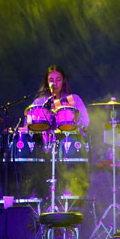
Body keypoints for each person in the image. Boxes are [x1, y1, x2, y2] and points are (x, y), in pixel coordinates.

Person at [28, 65, 90, 198]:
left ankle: (69, 191)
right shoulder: (40, 101)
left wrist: (75, 120)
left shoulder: (73, 99)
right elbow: (28, 124)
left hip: (69, 147)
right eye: (51, 80)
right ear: (46, 81)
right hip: (44, 149)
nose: (54, 83)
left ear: (64, 81)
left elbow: (86, 122)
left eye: (58, 79)